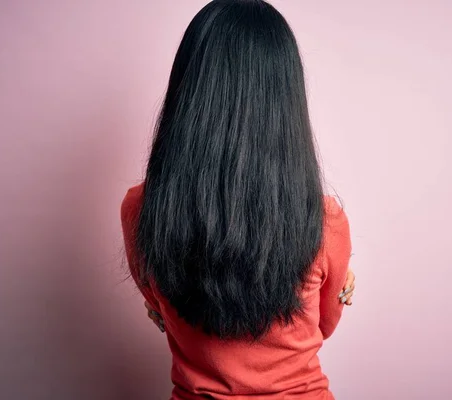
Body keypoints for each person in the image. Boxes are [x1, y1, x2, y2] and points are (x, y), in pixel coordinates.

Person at [121, 1, 355, 398]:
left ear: (188, 92)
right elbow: (323, 327)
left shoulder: (142, 211)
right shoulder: (324, 221)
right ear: (285, 102)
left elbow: (162, 313)